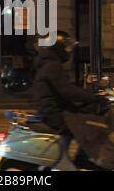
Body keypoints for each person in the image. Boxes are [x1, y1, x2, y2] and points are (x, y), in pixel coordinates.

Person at [33, 31, 105, 168]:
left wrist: (86, 92)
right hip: (54, 112)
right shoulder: (53, 66)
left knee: (82, 122)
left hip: (52, 109)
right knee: (88, 126)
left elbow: (65, 87)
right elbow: (67, 91)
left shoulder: (49, 64)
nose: (69, 51)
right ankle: (81, 161)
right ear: (58, 47)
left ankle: (70, 161)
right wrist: (93, 97)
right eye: (66, 47)